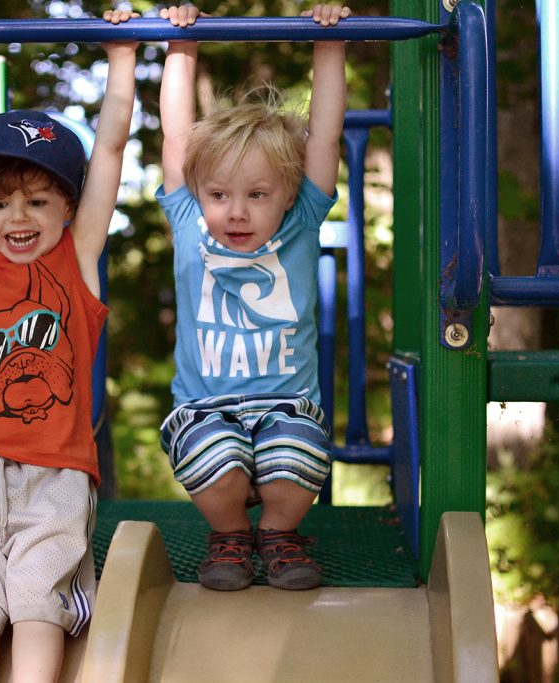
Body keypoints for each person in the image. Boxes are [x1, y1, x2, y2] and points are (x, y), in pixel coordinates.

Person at [0, 9, 137, 682]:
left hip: (54, 475)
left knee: (38, 598)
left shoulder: (77, 258)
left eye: (38, 201)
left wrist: (124, 56)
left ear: (68, 206)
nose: (17, 217)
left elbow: (107, 151)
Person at [156, 3, 351, 592]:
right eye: (219, 193)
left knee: (293, 465)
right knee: (215, 465)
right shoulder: (189, 220)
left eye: (257, 194)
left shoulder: (302, 220)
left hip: (287, 404)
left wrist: (330, 42)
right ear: (198, 191)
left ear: (288, 193)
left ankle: (280, 534)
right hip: (204, 408)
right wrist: (181, 44)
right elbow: (174, 132)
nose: (235, 211)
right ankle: (231, 536)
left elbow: (327, 130)